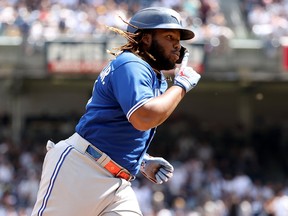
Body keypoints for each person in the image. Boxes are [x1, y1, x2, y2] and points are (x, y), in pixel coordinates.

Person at [31, 7, 201, 216]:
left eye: (178, 39)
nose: (177, 44)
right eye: (169, 36)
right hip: (81, 168)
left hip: (118, 182)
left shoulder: (153, 76)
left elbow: (128, 126)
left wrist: (142, 160)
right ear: (146, 39)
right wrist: (181, 85)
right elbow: (143, 117)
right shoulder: (131, 63)